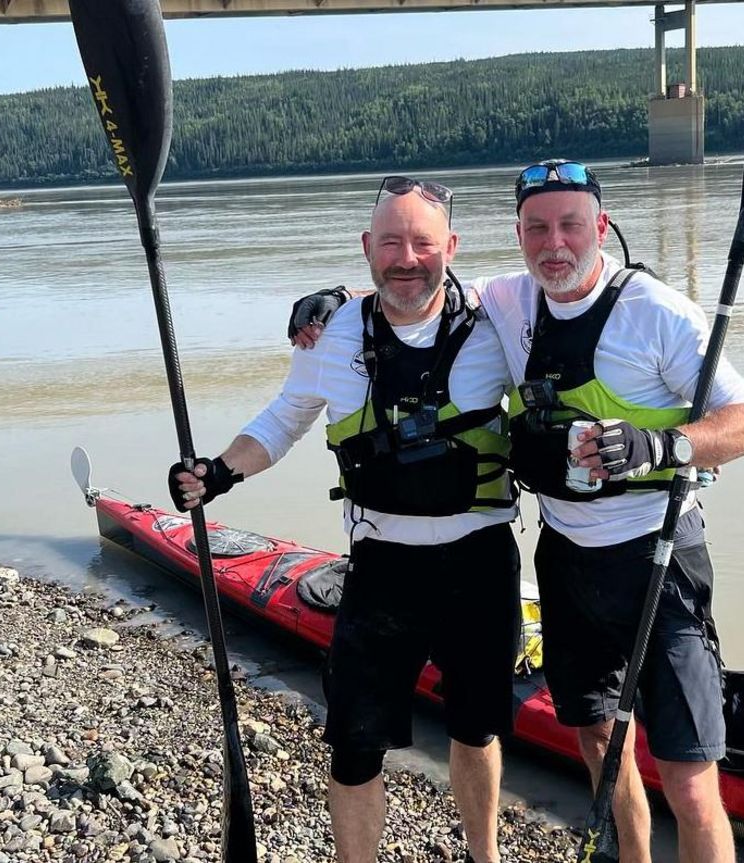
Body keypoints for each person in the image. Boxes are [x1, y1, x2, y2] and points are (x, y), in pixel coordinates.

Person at [288, 160, 744, 863]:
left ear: (599, 227)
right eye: (537, 228)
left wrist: (661, 444)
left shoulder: (658, 313)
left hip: (657, 562)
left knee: (692, 784)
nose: (555, 244)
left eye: (571, 225)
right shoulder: (510, 300)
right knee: (603, 746)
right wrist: (335, 296)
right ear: (518, 234)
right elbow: (415, 283)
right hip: (567, 564)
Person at [170, 176, 520, 863]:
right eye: (390, 241)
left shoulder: (499, 318)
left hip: (479, 561)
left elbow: (572, 306)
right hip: (382, 568)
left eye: (423, 241)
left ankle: (486, 856)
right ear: (366, 247)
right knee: (355, 743)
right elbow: (281, 422)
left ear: (451, 246)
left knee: (477, 729)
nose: (406, 256)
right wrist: (216, 472)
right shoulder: (331, 337)